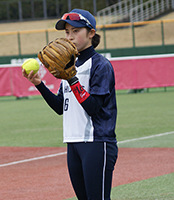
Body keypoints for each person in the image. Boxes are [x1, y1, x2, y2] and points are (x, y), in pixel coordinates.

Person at [22, 8, 118, 200]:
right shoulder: (68, 64)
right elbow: (60, 107)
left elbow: (93, 107)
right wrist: (39, 84)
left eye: (76, 31)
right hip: (73, 142)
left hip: (96, 142)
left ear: (91, 33)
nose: (70, 36)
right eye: (67, 32)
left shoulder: (101, 65)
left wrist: (72, 79)